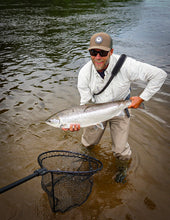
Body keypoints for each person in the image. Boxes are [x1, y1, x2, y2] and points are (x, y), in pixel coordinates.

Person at [63, 32, 167, 182]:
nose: (97, 57)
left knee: (121, 150)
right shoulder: (84, 73)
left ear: (111, 52)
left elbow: (160, 75)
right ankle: (86, 160)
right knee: (88, 143)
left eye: (103, 52)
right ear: (89, 52)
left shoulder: (127, 65)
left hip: (121, 109)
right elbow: (85, 104)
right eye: (93, 52)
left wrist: (142, 97)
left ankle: (123, 168)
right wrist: (78, 121)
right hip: (96, 110)